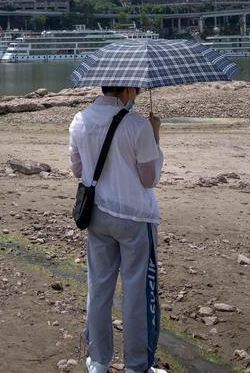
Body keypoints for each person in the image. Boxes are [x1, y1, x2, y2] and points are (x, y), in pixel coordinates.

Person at [69, 85, 166, 373]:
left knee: (99, 287)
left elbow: (77, 170)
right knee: (138, 292)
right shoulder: (138, 126)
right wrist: (155, 136)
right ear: (127, 89)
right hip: (135, 217)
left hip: (97, 214)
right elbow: (149, 179)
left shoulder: (80, 120)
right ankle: (137, 366)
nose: (136, 95)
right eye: (135, 90)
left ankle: (98, 361)